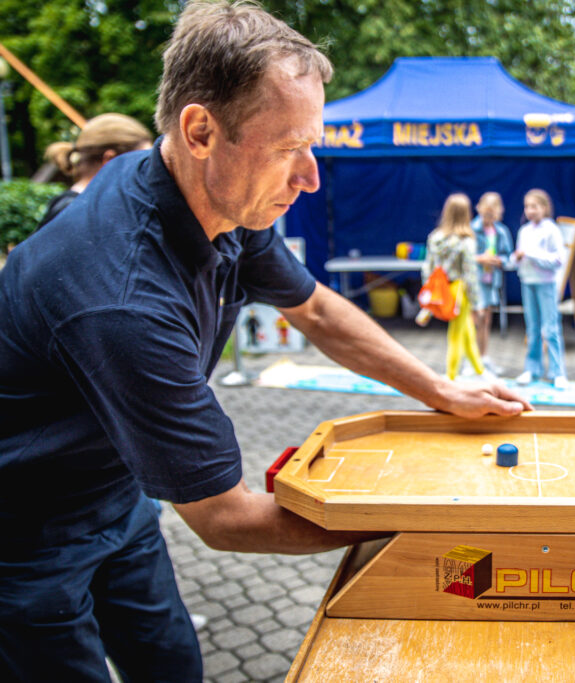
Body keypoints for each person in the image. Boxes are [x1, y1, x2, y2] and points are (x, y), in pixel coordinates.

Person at [0, 2, 529, 681]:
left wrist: (441, 389)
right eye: (287, 150)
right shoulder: (123, 300)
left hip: (118, 494)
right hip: (26, 530)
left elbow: (315, 308)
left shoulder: (218, 196)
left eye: (311, 145)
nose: (308, 176)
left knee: (171, 664)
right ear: (200, 131)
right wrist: (418, 523)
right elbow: (228, 517)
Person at [420, 193, 490, 381]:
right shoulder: (467, 242)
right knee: (456, 335)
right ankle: (451, 375)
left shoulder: (434, 237)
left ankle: (480, 370)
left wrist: (429, 289)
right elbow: (470, 274)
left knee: (466, 331)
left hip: (441, 288)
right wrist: (477, 303)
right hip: (459, 291)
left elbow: (427, 266)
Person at [39, 113, 154, 227]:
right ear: (110, 160)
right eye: (142, 161)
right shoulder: (75, 213)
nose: (146, 171)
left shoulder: (89, 208)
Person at [513, 188, 568, 389]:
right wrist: (517, 257)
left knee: (550, 329)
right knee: (533, 328)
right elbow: (517, 258)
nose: (530, 210)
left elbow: (558, 259)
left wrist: (531, 254)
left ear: (544, 208)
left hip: (546, 284)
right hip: (527, 282)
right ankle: (532, 369)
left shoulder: (551, 230)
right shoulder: (524, 231)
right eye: (527, 206)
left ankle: (558, 372)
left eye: (534, 206)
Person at [470, 191, 514, 375]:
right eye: (485, 213)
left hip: (491, 281)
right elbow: (465, 256)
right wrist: (480, 259)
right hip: (474, 281)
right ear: (479, 209)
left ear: (498, 212)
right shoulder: (471, 229)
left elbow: (508, 256)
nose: (488, 217)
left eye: (492, 214)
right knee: (474, 319)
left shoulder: (501, 231)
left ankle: (483, 357)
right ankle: (470, 359)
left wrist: (500, 261)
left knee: (486, 320)